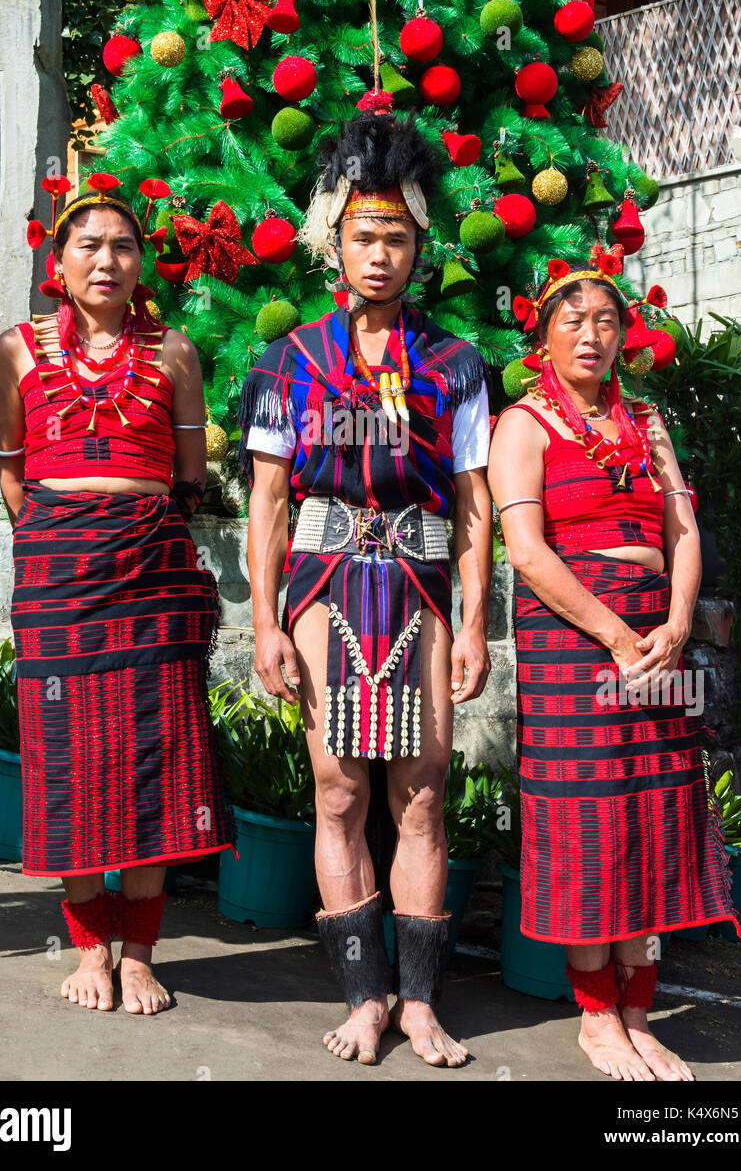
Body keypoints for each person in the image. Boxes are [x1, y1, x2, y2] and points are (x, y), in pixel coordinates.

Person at [238, 104, 493, 1067]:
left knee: (421, 794)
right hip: (323, 590)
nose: (378, 253)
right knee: (339, 794)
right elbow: (267, 502)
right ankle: (364, 994)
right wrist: (265, 621)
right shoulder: (286, 363)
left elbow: (472, 503)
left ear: (420, 246)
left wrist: (475, 624)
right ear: (331, 241)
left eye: (396, 235)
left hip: (420, 593)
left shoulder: (456, 365)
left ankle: (421, 1003)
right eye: (361, 235)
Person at [487, 247, 741, 1082]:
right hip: (575, 639)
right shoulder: (522, 424)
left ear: (623, 336)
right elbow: (525, 550)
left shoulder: (647, 423)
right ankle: (597, 1020)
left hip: (653, 634)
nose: (590, 336)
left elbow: (681, 534)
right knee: (589, 817)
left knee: (655, 811)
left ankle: (639, 1013)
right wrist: (612, 635)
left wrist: (672, 623)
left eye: (604, 321)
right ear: (544, 339)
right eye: (572, 322)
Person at [0, 173, 236, 1016]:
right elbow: (12, 469)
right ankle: (89, 945)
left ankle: (139, 952)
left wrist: (125, 523)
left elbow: (191, 477)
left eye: (122, 246)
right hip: (58, 576)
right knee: (72, 759)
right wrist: (61, 535)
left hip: (151, 572)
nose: (106, 259)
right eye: (87, 245)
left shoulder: (172, 353)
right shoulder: (17, 348)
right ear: (58, 262)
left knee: (155, 760)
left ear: (141, 265)